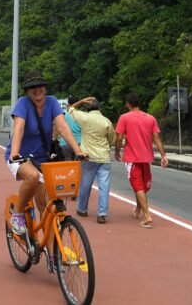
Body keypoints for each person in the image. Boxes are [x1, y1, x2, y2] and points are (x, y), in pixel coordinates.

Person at [5, 71, 85, 234]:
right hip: (22, 156)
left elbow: (62, 126)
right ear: (27, 91)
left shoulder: (52, 102)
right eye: (32, 87)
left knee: (47, 209)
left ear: (45, 88)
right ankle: (18, 214)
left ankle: (53, 258)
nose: (37, 90)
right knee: (33, 177)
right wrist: (15, 153)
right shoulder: (23, 103)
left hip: (44, 159)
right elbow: (19, 128)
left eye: (40, 86)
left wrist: (78, 150)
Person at [114, 92, 168, 229]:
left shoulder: (124, 118)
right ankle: (138, 209)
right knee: (143, 186)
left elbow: (119, 138)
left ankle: (147, 216)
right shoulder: (150, 118)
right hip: (146, 158)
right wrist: (163, 156)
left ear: (128, 104)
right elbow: (156, 138)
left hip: (132, 158)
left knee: (138, 186)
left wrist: (116, 151)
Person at [69, 97, 116, 224]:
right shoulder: (106, 121)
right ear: (99, 108)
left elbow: (71, 109)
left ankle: (82, 209)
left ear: (87, 109)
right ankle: (102, 213)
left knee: (85, 184)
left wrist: (82, 101)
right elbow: (112, 139)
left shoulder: (84, 118)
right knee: (104, 186)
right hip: (104, 157)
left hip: (88, 156)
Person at [56, 95, 82, 161]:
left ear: (68, 103)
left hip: (65, 144)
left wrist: (54, 138)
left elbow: (57, 128)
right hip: (78, 143)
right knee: (78, 165)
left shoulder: (62, 114)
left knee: (67, 165)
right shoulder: (82, 115)